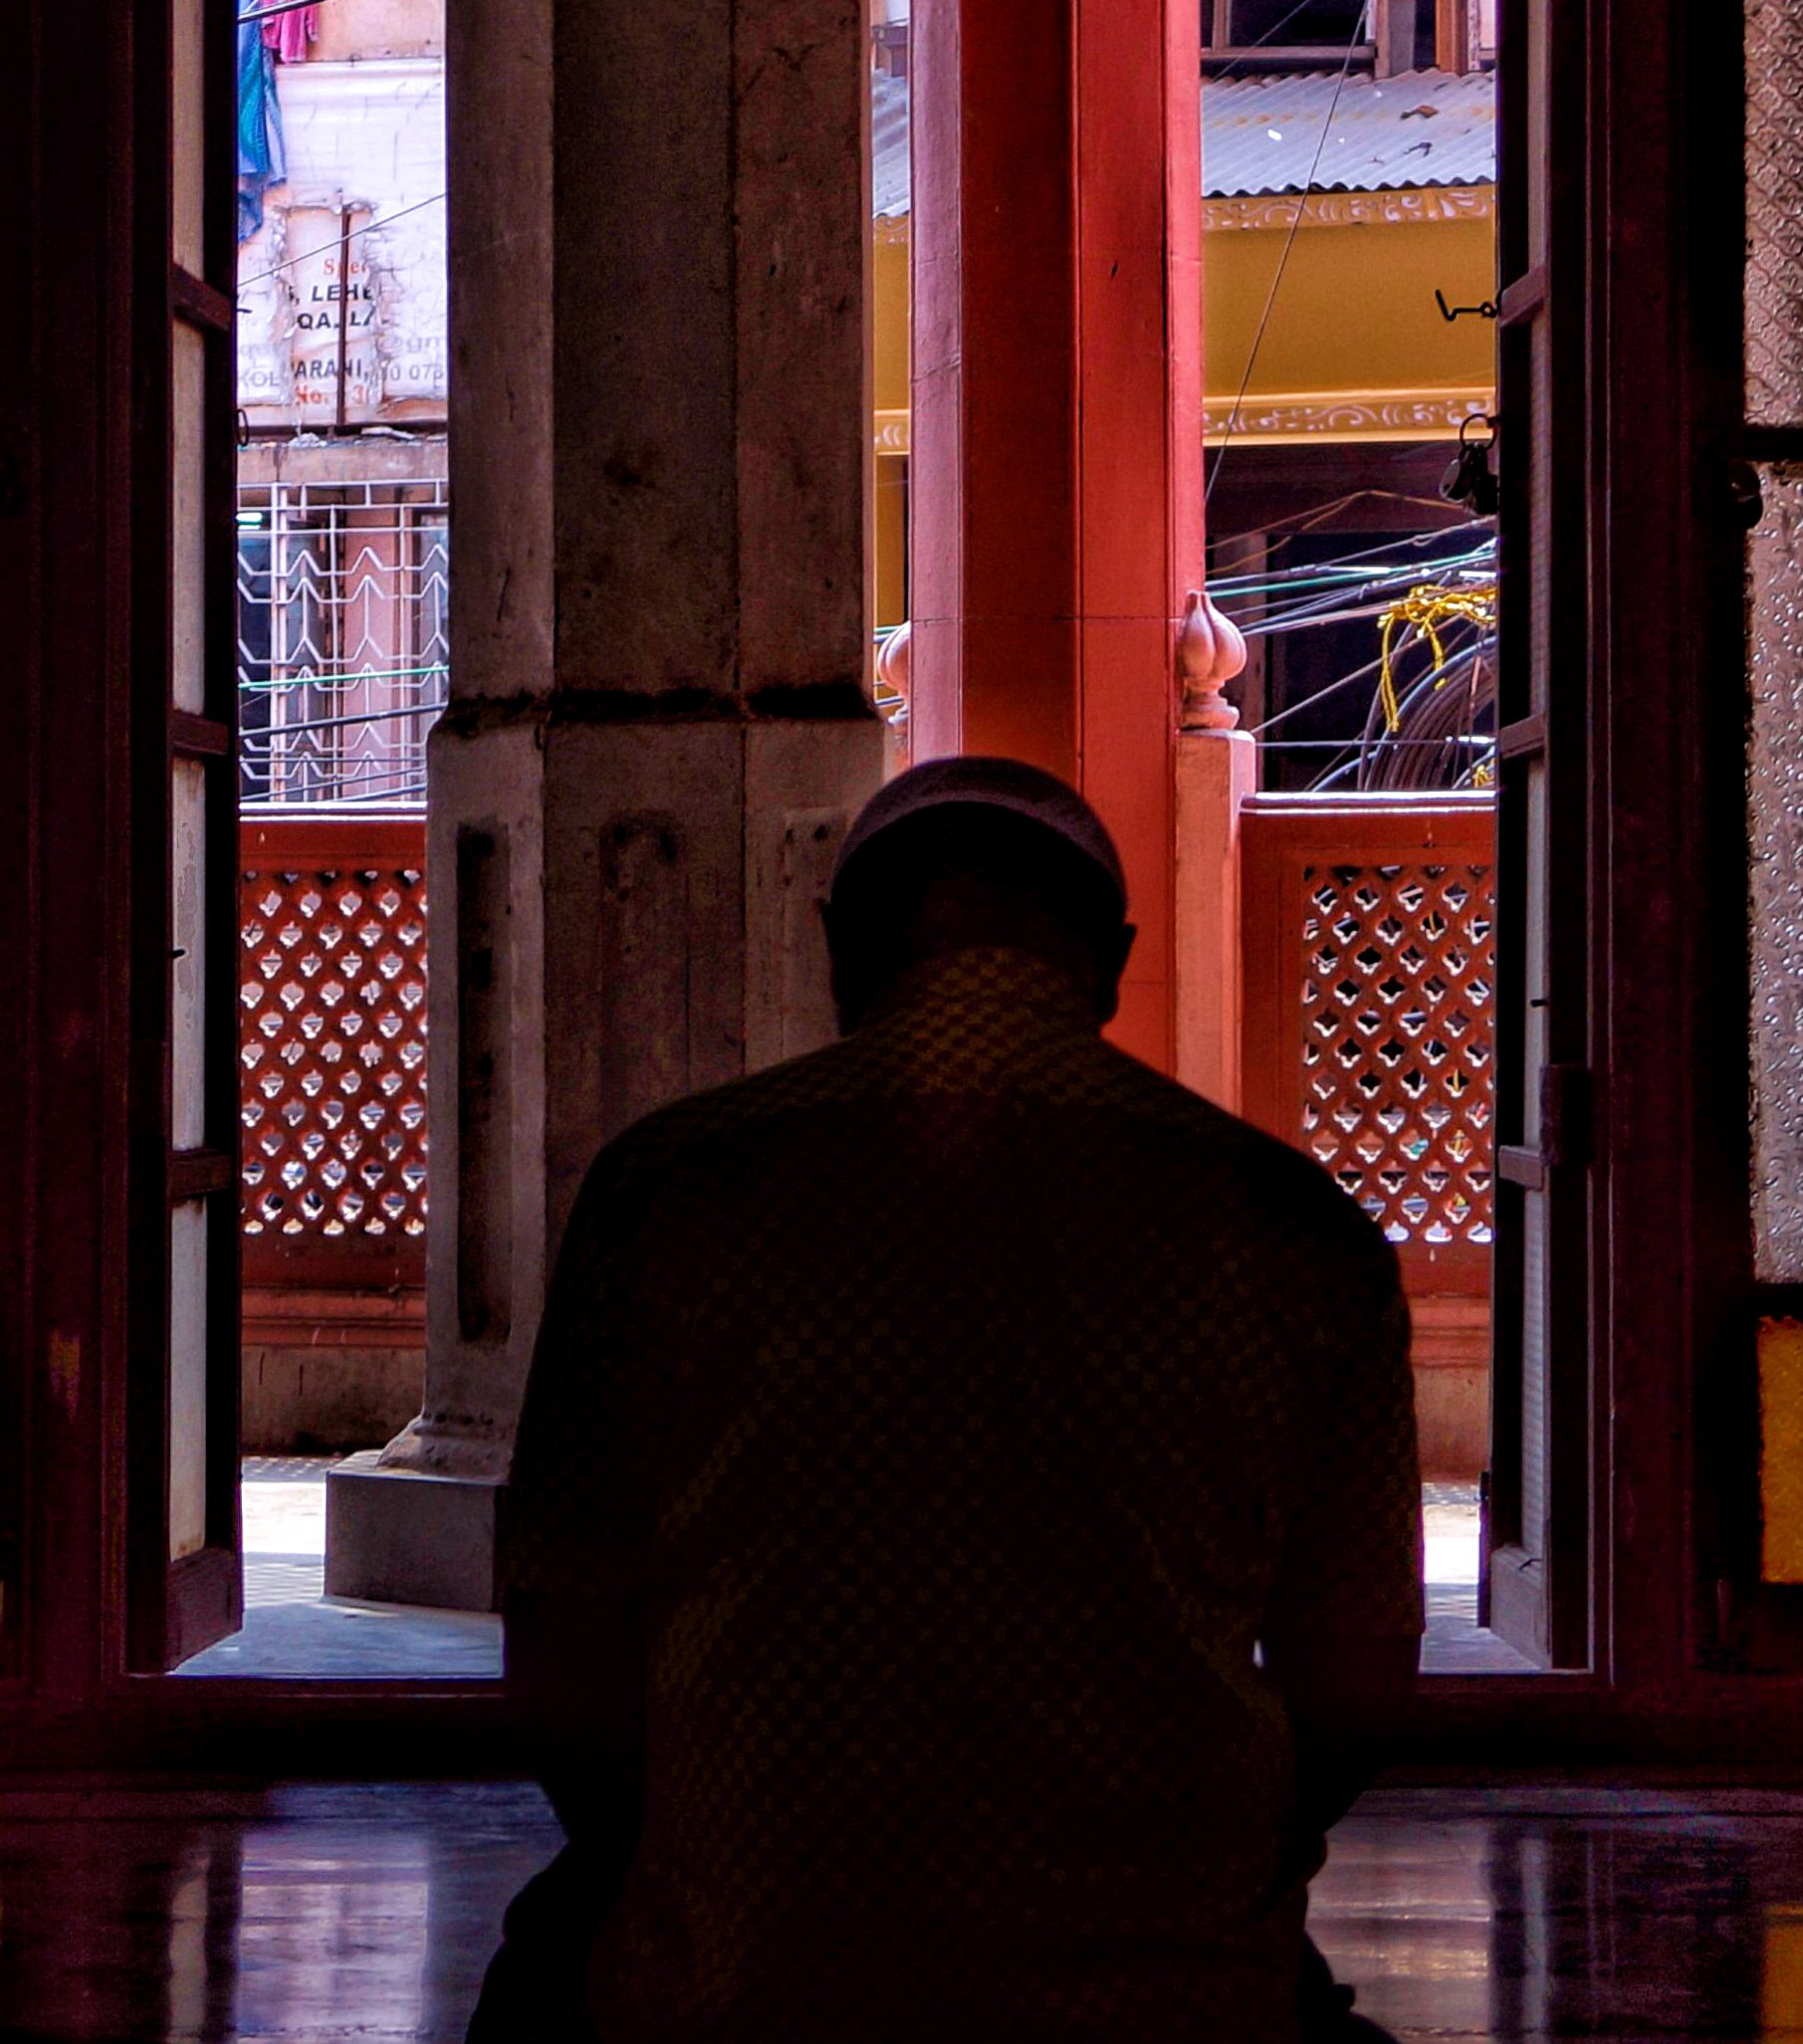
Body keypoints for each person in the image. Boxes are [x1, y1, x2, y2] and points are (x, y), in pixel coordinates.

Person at [472, 754, 1422, 2044]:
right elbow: (1358, 1687)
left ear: (838, 948)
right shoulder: (1294, 1228)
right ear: (1118, 954)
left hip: (741, 1978)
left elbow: (564, 1667)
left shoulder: (672, 1191)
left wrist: (718, 1868)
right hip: (1173, 1986)